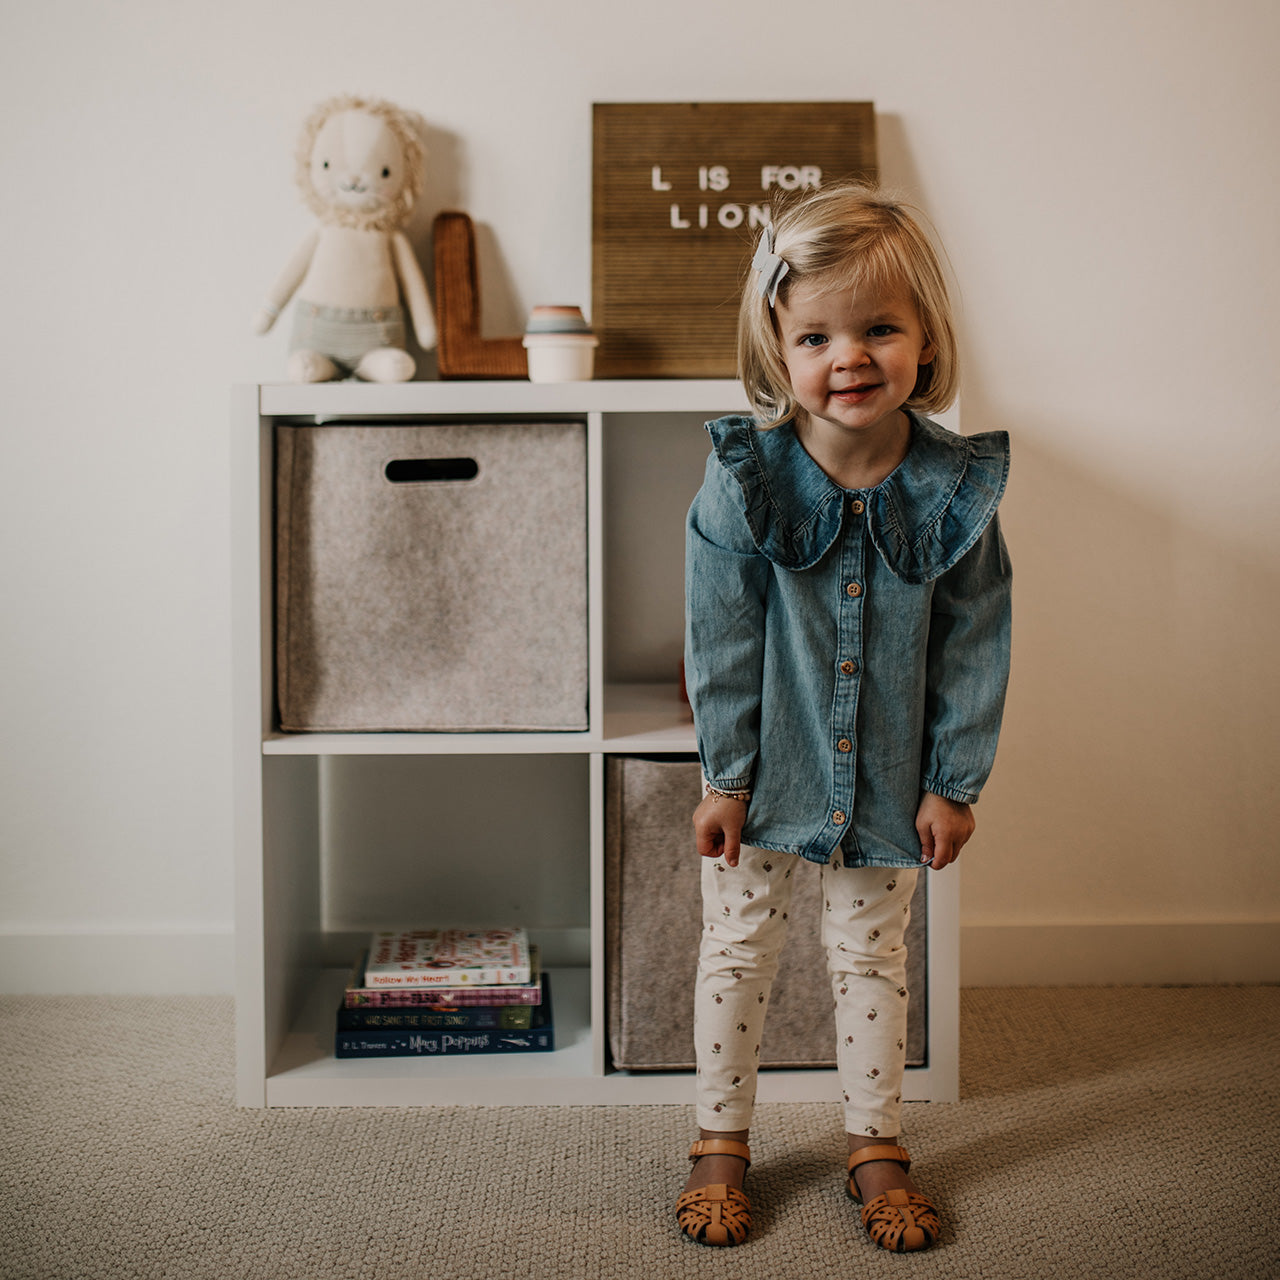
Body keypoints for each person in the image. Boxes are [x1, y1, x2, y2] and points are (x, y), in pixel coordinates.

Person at [675, 183, 1012, 1253]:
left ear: (926, 337)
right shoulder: (745, 478)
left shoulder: (955, 489)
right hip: (765, 774)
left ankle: (874, 1141)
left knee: (872, 958)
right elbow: (721, 636)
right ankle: (720, 1139)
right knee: (738, 949)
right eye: (815, 335)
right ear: (777, 347)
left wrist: (953, 782)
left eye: (879, 329)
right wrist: (725, 776)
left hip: (887, 780)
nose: (849, 357)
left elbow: (975, 640)